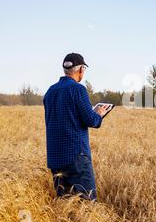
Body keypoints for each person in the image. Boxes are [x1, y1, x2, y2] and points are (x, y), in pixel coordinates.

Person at [43, 53, 110, 201]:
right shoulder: (77, 89)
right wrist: (98, 113)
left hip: (55, 158)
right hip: (76, 157)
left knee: (65, 206)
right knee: (87, 206)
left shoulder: (50, 92)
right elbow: (91, 120)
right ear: (81, 69)